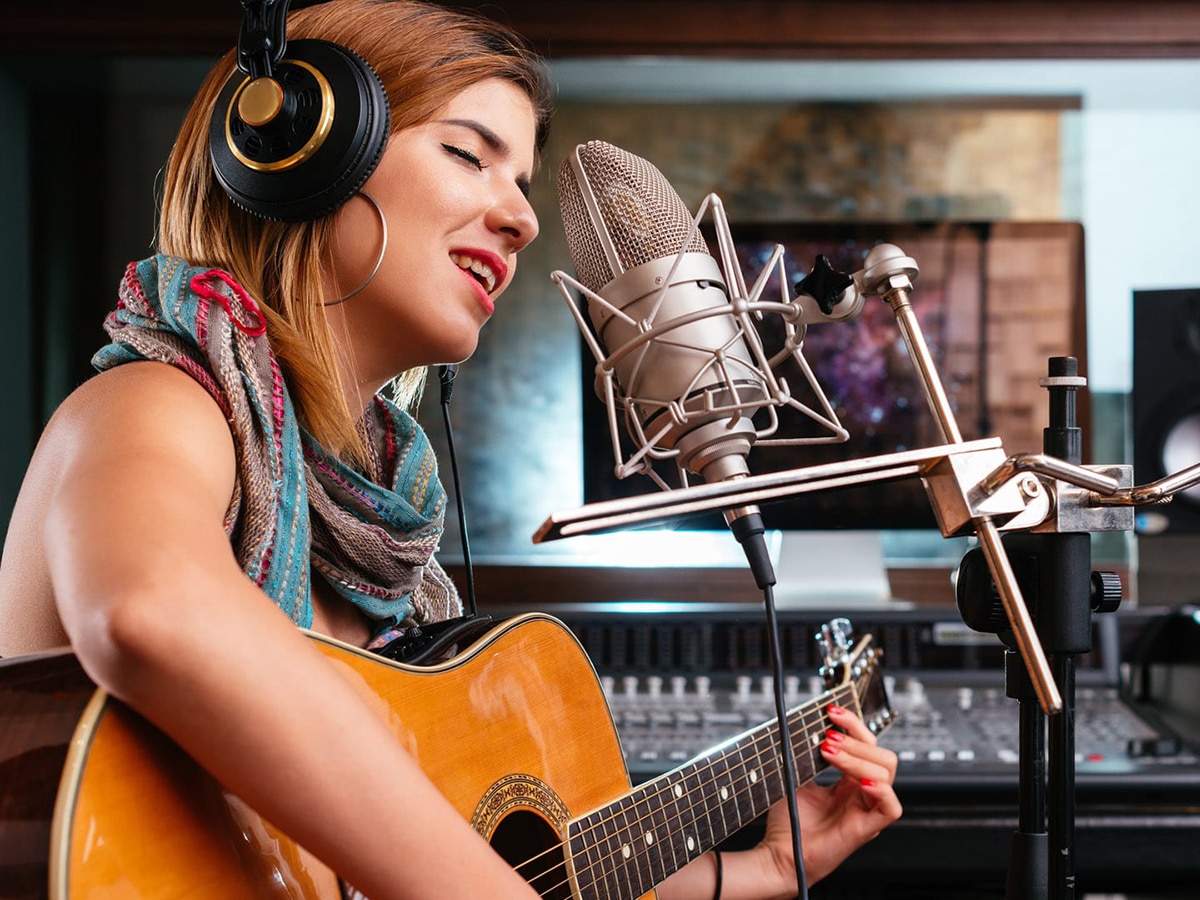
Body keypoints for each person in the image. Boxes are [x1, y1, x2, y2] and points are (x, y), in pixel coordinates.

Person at [0, 1, 901, 898]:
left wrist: (772, 867)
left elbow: (461, 856)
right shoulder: (153, 405)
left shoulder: (388, 529)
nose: (522, 218)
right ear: (305, 156)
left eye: (521, 180)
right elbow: (151, 613)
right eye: (470, 154)